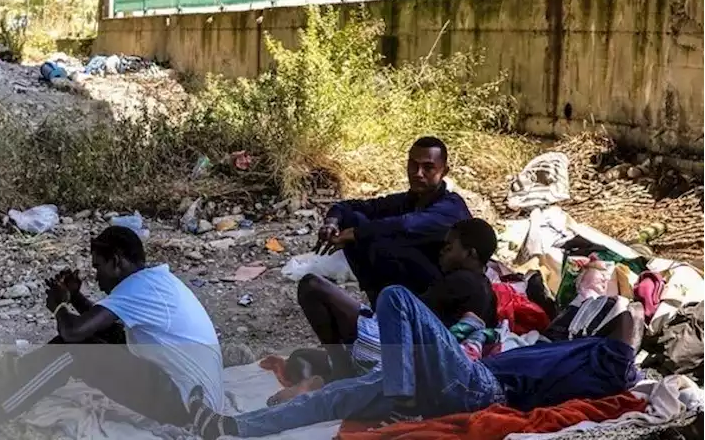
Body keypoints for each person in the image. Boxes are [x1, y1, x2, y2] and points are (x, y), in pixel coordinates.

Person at [188, 283, 640, 439]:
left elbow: (630, 320)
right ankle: (230, 428)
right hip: (458, 385)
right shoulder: (559, 346)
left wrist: (631, 300)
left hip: (480, 391)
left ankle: (400, 393)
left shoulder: (609, 361)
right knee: (338, 396)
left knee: (396, 297)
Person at [0, 226, 226, 438]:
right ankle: (11, 372)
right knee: (95, 340)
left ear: (117, 261)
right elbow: (106, 324)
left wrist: (59, 307)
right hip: (191, 391)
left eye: (99, 267)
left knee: (76, 353)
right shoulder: (153, 282)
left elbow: (73, 333)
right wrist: (76, 298)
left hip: (187, 403)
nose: (97, 276)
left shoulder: (140, 288)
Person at [286, 219, 500, 389]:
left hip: (398, 355)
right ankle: (339, 368)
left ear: (470, 254)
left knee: (312, 285)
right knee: (300, 357)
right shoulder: (486, 291)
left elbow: (401, 318)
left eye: (449, 247)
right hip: (418, 358)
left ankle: (341, 372)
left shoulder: (462, 281)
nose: (442, 251)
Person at [317, 136, 471, 303]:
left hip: (447, 291)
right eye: (413, 165)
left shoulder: (451, 207)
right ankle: (379, 301)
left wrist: (356, 234)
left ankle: (398, 308)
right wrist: (331, 223)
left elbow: (407, 225)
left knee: (383, 242)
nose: (418, 173)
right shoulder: (407, 200)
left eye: (428, 167)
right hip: (413, 278)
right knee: (356, 220)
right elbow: (350, 207)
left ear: (444, 172)